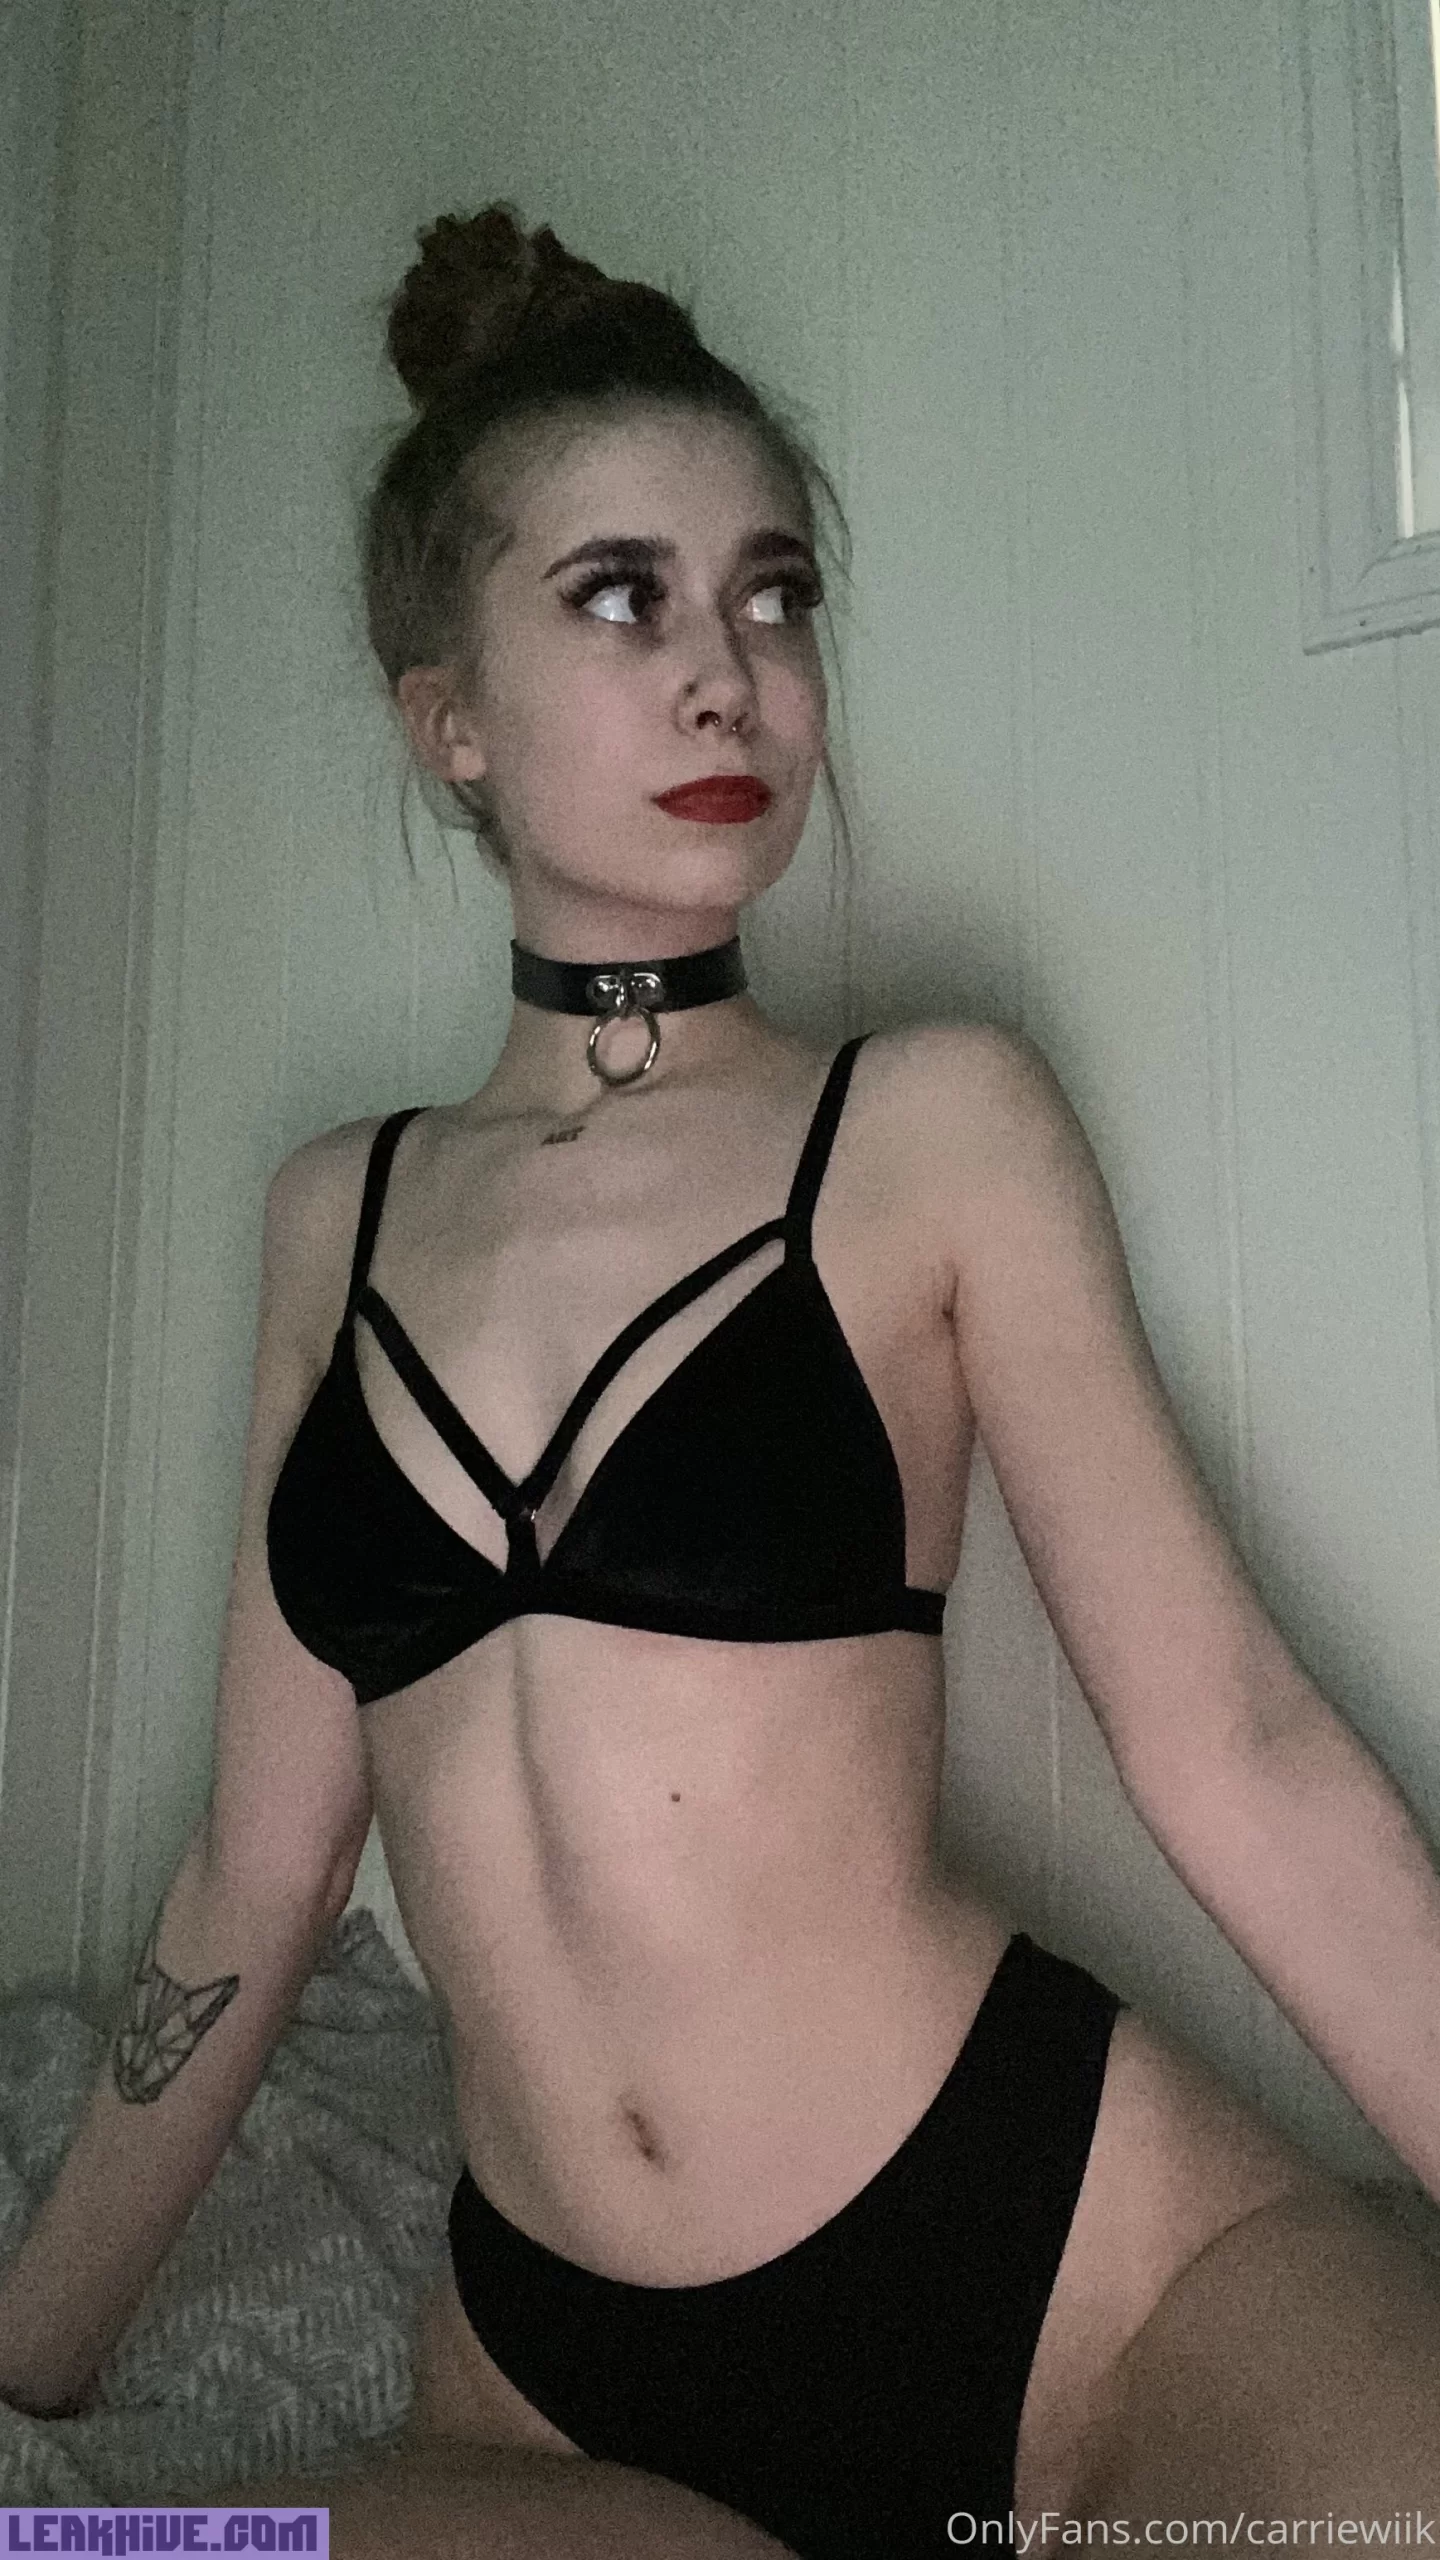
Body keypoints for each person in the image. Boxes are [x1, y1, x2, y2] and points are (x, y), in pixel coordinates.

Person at [3, 200, 1440, 2559]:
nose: (728, 676)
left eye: (775, 598)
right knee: (95, 2553)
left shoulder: (934, 1126)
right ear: (449, 719)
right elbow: (258, 1862)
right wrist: (29, 2367)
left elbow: (1240, 1749)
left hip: (1074, 2279)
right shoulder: (329, 1216)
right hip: (558, 2392)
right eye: (622, 598)